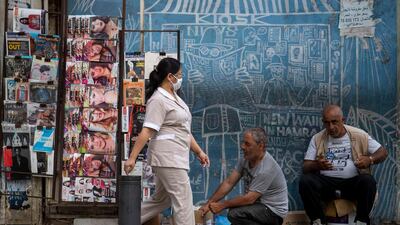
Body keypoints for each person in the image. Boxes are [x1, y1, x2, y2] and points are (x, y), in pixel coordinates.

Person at [124, 57, 210, 225]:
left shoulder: (174, 97)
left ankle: (128, 219)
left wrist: (199, 151)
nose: (181, 78)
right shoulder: (158, 99)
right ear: (170, 77)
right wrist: (132, 158)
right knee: (184, 202)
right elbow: (147, 130)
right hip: (169, 158)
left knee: (162, 200)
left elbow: (184, 130)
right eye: (179, 75)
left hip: (175, 156)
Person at [299, 105, 388, 225]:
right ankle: (318, 220)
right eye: (327, 123)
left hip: (351, 184)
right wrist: (317, 165)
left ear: (343, 120)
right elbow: (306, 167)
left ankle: (361, 221)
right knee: (306, 181)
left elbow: (382, 152)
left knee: (368, 181)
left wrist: (370, 159)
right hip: (327, 185)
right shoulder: (318, 138)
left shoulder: (359, 135)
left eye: (334, 122)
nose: (331, 127)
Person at [199, 128, 288, 225]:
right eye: (243, 143)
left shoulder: (267, 168)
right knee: (236, 213)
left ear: (261, 146)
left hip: (273, 212)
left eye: (247, 144)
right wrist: (208, 204)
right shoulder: (245, 159)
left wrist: (222, 205)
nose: (242, 146)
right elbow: (229, 182)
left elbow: (249, 199)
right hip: (258, 207)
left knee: (235, 214)